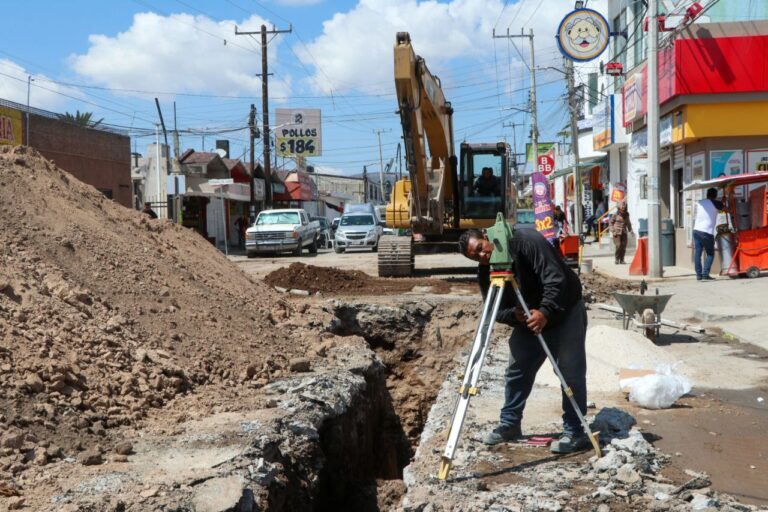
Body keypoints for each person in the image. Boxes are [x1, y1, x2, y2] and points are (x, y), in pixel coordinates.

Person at [457, 227, 589, 454]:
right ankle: (510, 424)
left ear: (486, 237)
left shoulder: (526, 241)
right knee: (517, 370)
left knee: (570, 373)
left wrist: (545, 312)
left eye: (480, 248)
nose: (481, 256)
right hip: (529, 320)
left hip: (564, 311)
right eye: (474, 257)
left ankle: (575, 431)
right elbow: (494, 310)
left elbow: (556, 278)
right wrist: (514, 316)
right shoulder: (486, 269)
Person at [693, 187, 724, 281]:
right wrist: (724, 200)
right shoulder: (715, 203)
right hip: (706, 232)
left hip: (696, 230)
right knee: (710, 253)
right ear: (715, 196)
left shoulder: (700, 202)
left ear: (707, 195)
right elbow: (726, 208)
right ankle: (705, 274)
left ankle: (699, 275)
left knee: (697, 253)